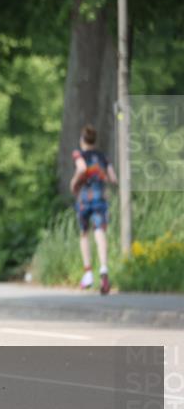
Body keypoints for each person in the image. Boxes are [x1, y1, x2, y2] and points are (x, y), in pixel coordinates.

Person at [70, 124, 118, 295]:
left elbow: (82, 168)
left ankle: (88, 272)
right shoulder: (103, 156)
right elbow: (113, 178)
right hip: (100, 198)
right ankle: (104, 269)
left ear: (82, 140)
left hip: (84, 198)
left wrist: (74, 182)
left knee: (84, 233)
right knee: (100, 231)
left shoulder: (79, 154)